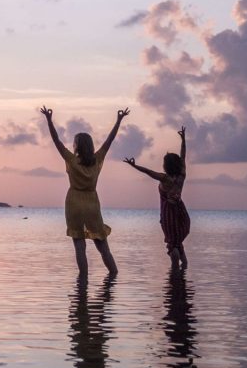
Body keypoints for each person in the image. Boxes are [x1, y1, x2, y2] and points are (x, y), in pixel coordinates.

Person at [41, 105, 128, 279]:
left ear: (77, 146)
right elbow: (109, 141)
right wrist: (119, 121)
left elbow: (56, 140)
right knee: (103, 246)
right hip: (92, 204)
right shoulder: (97, 159)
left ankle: (83, 280)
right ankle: (114, 275)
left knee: (79, 247)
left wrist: (49, 120)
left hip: (73, 203)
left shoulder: (72, 160)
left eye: (74, 143)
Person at [124, 126, 190, 269]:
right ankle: (183, 269)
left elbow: (148, 171)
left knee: (172, 245)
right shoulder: (182, 175)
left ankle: (174, 273)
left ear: (166, 166)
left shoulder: (164, 178)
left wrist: (133, 165)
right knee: (178, 242)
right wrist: (183, 140)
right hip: (182, 214)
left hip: (170, 215)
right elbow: (183, 156)